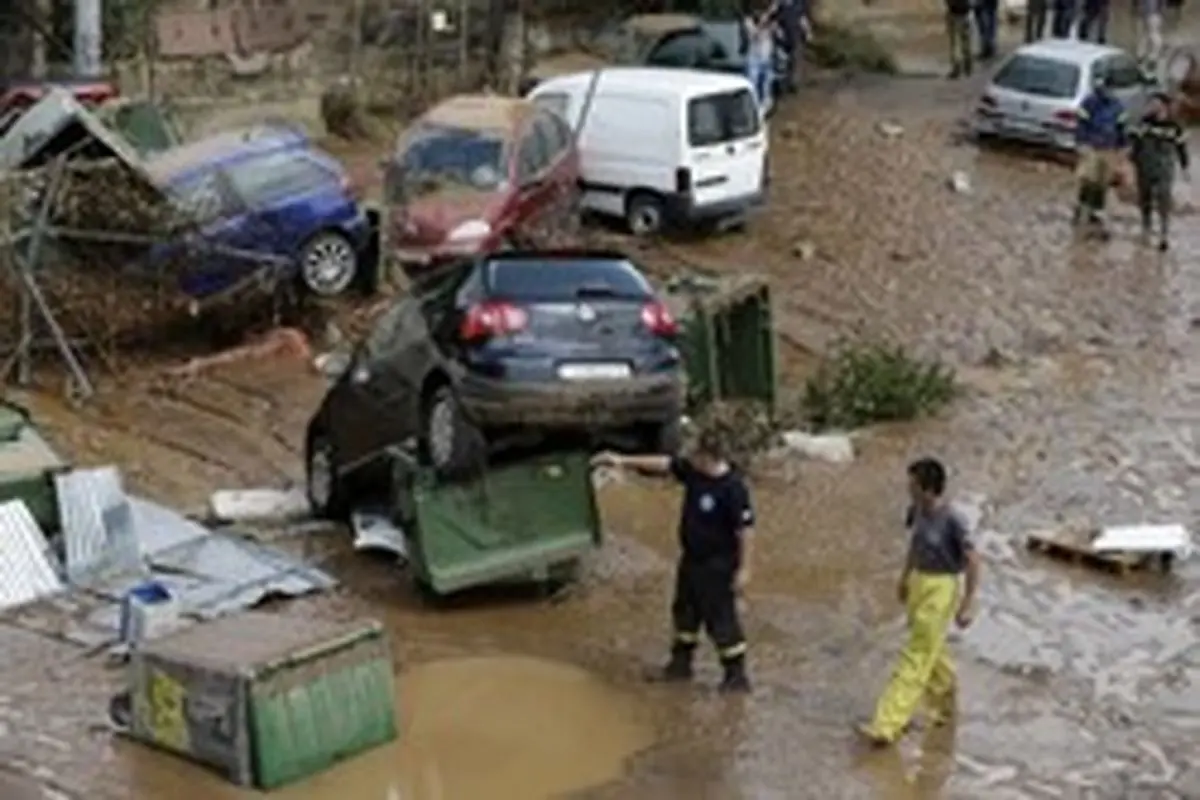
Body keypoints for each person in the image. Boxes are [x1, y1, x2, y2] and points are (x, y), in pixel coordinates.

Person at [591, 430, 756, 693]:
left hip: (718, 567)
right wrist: (622, 460)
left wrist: (745, 569)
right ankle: (680, 667)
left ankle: (736, 678)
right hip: (691, 561)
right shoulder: (694, 472)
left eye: (695, 454)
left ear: (708, 456)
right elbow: (664, 464)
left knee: (721, 620)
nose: (689, 458)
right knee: (685, 614)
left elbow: (746, 531)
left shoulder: (733, 488)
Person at [856, 458, 981, 747]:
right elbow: (915, 545)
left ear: (928, 489)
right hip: (919, 583)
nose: (907, 489)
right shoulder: (917, 512)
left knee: (915, 655)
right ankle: (946, 706)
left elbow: (974, 561)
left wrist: (968, 602)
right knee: (931, 649)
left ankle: (886, 723)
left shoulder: (953, 520)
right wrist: (904, 578)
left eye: (912, 484)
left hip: (942, 587)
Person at [1128, 90, 1190, 250]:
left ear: (1164, 106)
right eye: (1151, 103)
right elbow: (1134, 143)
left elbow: (1181, 148)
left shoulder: (1174, 127)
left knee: (1163, 198)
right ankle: (1146, 228)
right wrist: (1131, 161)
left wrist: (1185, 168)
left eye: (1156, 103)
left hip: (1164, 168)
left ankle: (1164, 234)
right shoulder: (1144, 123)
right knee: (1145, 198)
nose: (1152, 106)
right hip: (1145, 165)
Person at [1073, 72, 1128, 234]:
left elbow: (1122, 128)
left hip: (1109, 148)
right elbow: (1081, 124)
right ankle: (1081, 207)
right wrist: (1082, 143)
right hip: (1091, 146)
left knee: (1103, 182)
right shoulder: (1090, 102)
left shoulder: (1117, 106)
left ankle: (1097, 211)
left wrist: (1123, 149)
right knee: (1088, 178)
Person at [771, 0, 812, 94]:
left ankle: (794, 85)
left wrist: (808, 32)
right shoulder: (779, 4)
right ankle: (781, 86)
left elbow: (802, 18)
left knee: (796, 61)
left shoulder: (799, 4)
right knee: (781, 64)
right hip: (781, 40)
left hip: (796, 37)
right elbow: (773, 20)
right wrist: (777, 31)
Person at [945, 0, 973, 79]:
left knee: (955, 42)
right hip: (965, 12)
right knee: (966, 40)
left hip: (954, 12)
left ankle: (957, 67)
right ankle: (968, 66)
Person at [1136, 0, 1165, 69]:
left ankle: (1149, 56)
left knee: (1152, 35)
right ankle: (1143, 55)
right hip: (1153, 14)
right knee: (1146, 35)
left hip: (1151, 15)